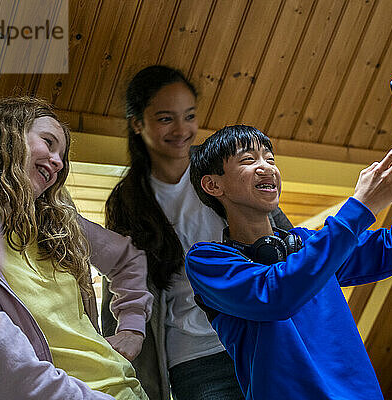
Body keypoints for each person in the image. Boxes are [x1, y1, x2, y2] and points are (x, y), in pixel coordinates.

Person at [185, 124, 392, 399]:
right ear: (213, 185)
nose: (267, 167)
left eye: (270, 159)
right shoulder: (207, 261)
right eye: (248, 160)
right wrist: (359, 208)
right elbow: (275, 296)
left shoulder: (310, 245)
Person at [0, 97, 152, 400]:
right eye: (48, 143)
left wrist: (132, 327)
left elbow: (129, 260)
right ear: (5, 137)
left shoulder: (57, 223)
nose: (58, 161)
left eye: (62, 155)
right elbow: (18, 381)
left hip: (130, 390)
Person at [102, 66, 292, 400]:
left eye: (188, 116)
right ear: (137, 123)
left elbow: (287, 242)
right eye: (165, 119)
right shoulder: (129, 199)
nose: (181, 129)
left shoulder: (225, 167)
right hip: (195, 358)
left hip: (260, 335)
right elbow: (120, 284)